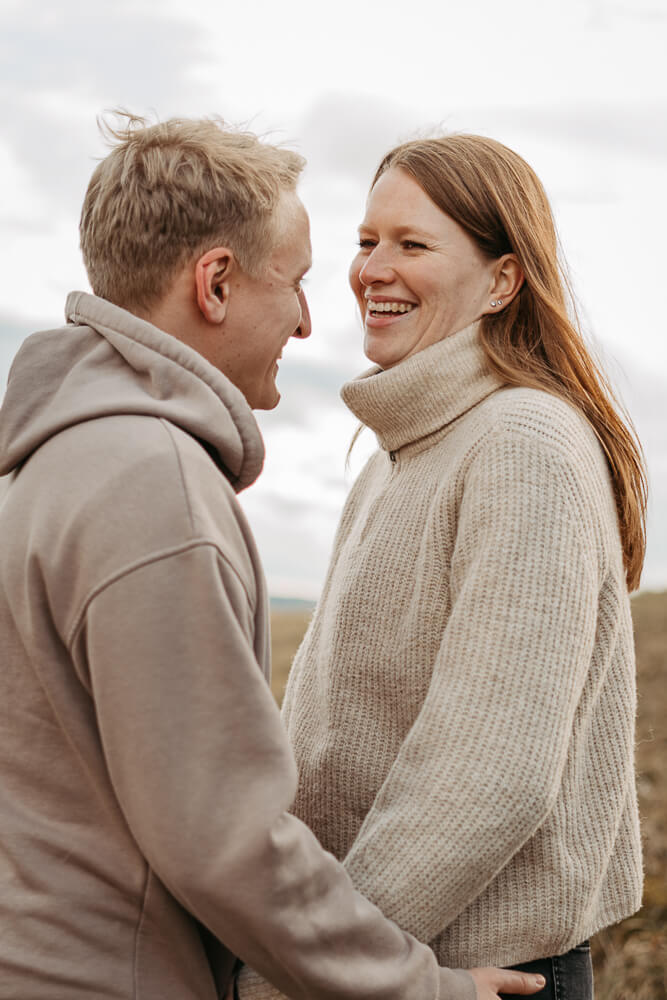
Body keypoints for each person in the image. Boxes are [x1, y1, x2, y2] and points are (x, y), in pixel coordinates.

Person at [0, 115, 544, 1000]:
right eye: (294, 281)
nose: (305, 320)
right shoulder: (152, 481)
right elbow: (222, 834)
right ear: (215, 283)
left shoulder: (51, 460)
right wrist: (421, 989)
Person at [237, 134, 646, 1000]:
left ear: (502, 281)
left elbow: (488, 773)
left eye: (412, 244)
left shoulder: (521, 445)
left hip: (471, 973)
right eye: (365, 240)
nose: (371, 270)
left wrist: (310, 970)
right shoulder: (400, 450)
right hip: (384, 963)